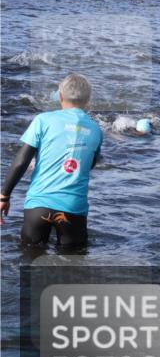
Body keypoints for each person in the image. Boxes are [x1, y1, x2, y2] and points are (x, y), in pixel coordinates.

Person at [0, 73, 103, 250]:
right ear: (88, 100)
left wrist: (5, 195)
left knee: (30, 263)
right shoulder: (95, 129)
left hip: (38, 206)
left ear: (60, 96)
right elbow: (90, 164)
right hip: (73, 208)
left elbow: (21, 161)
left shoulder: (43, 120)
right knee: (72, 269)